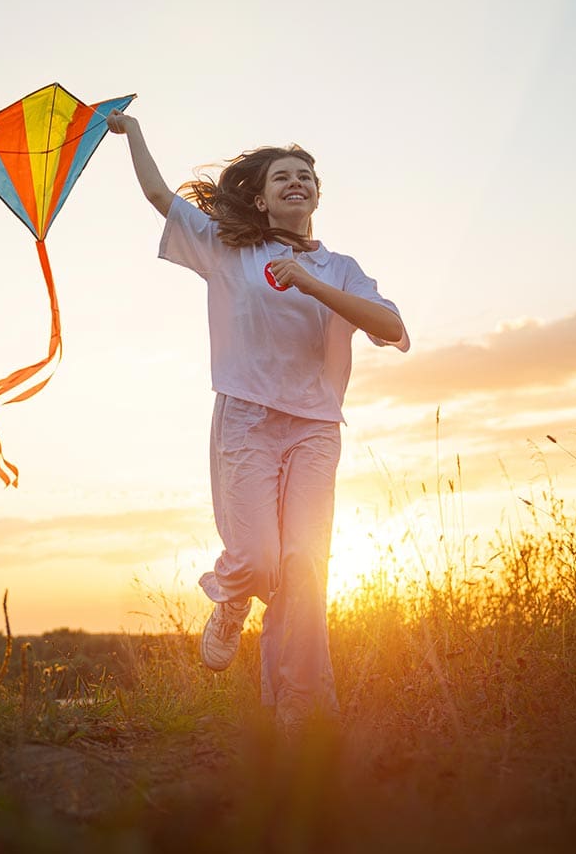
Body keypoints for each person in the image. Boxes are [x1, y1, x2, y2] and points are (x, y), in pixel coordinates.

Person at [106, 111, 409, 729]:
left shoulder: (340, 268)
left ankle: (297, 707)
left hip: (314, 427)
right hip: (246, 416)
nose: (297, 183)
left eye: (306, 176)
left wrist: (311, 284)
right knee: (255, 558)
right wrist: (133, 131)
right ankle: (230, 598)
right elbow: (160, 196)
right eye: (282, 178)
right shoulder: (227, 248)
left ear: (316, 194)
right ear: (264, 199)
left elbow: (392, 329)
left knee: (304, 565)